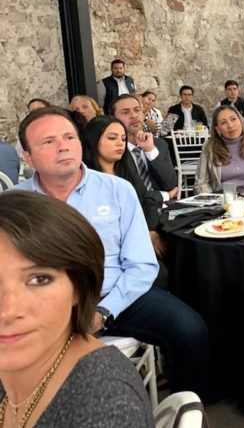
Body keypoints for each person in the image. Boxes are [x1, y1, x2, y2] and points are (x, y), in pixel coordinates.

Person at [15, 107, 209, 399]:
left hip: (115, 293)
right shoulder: (15, 204)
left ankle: (185, 409)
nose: (63, 146)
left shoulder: (117, 190)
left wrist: (103, 312)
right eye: (48, 141)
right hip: (45, 303)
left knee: (190, 330)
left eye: (69, 137)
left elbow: (141, 264)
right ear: (28, 157)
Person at [0, 191, 154, 427]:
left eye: (39, 279)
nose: (8, 310)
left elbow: (141, 267)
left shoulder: (104, 407)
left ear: (78, 287)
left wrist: (104, 312)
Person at [82, 116, 164, 253]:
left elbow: (146, 199)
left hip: (138, 237)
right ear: (93, 139)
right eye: (112, 138)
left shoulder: (126, 168)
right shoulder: (85, 178)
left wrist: (151, 230)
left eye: (123, 139)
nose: (120, 143)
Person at [111, 94, 178, 201]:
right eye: (125, 112)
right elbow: (128, 194)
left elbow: (171, 185)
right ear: (114, 119)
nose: (134, 115)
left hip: (165, 207)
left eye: (137, 110)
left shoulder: (159, 144)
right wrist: (165, 195)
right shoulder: (114, 151)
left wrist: (150, 150)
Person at [195, 106, 244, 194]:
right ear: (217, 129)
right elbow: (201, 183)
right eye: (223, 122)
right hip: (223, 198)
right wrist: (212, 199)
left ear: (241, 121)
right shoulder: (209, 148)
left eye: (233, 119)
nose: (230, 125)